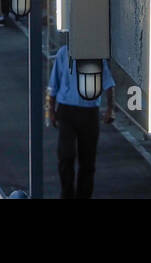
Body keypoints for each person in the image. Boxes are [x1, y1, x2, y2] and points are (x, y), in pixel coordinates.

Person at [47, 43, 114, 199]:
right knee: (66, 156)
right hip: (70, 109)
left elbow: (108, 82)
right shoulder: (64, 53)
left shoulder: (95, 55)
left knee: (87, 159)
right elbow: (54, 82)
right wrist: (50, 109)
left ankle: (83, 195)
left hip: (86, 110)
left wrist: (111, 108)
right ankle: (67, 194)